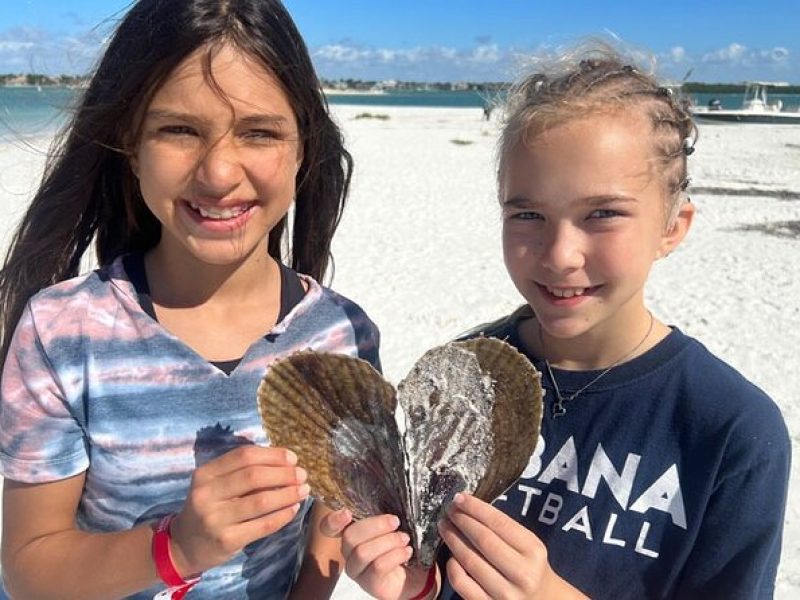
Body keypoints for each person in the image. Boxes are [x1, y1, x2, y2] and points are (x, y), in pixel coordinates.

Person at [322, 45, 791, 599]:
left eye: (602, 214)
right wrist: (414, 586)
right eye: (528, 215)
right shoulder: (466, 377)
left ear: (672, 225)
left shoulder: (732, 431)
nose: (560, 254)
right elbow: (435, 564)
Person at [0, 1, 380, 598]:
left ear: (303, 145)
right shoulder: (62, 332)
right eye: (179, 130)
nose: (219, 172)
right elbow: (28, 569)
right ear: (131, 141)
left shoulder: (342, 336)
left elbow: (328, 525)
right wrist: (176, 547)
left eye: (259, 131)